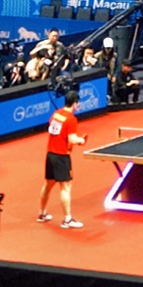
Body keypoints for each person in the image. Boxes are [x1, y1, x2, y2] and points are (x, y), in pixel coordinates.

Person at [38, 87, 87, 228]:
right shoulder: (71, 119)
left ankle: (42, 213)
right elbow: (72, 139)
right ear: (75, 103)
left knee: (48, 185)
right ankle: (67, 220)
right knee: (66, 187)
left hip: (50, 154)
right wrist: (81, 141)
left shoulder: (56, 114)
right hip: (61, 156)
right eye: (77, 103)